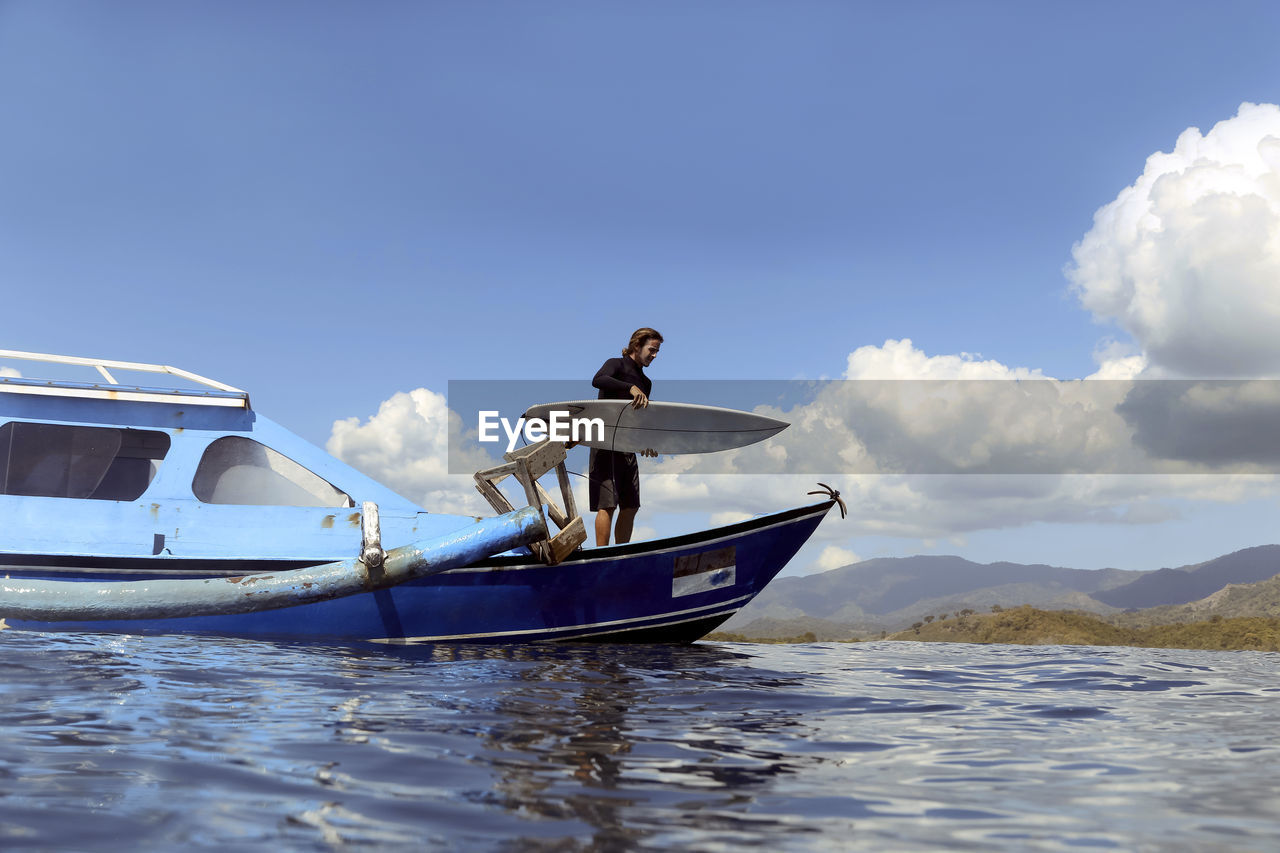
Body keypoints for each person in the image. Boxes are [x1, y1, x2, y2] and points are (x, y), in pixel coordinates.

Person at [589, 327, 662, 546]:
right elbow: (598, 380)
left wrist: (645, 442)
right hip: (605, 441)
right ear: (637, 345)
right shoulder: (616, 364)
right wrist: (629, 387)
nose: (655, 355)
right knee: (608, 503)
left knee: (631, 505)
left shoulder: (646, 383)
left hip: (627, 445)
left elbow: (639, 419)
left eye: (657, 351)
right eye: (652, 349)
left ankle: (621, 554)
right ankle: (602, 555)